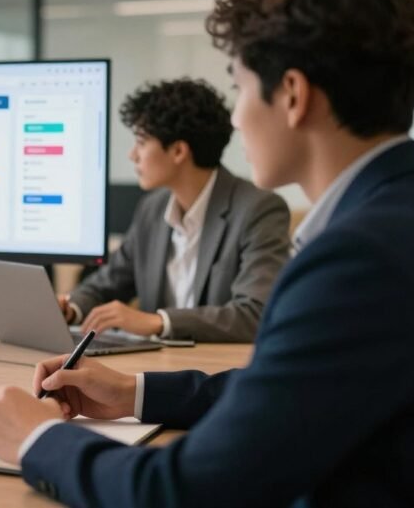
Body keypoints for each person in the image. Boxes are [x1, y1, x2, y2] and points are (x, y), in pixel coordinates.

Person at [0, 0, 414, 507]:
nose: (236, 118)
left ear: (292, 94)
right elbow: (294, 389)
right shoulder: (397, 214)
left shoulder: (360, 258)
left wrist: (37, 439)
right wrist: (134, 391)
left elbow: (186, 492)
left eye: (239, 87)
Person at [61, 79, 290, 342]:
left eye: (142, 142)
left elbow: (255, 314)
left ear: (179, 151)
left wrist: (159, 322)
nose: (133, 155)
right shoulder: (152, 208)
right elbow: (107, 283)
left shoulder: (258, 209)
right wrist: (71, 308)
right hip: (154, 369)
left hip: (217, 372)